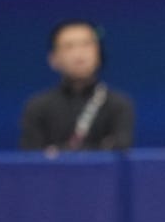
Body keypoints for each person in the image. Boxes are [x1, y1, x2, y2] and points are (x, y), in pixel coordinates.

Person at [19, 20, 135, 154]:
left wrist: (56, 152)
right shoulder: (37, 106)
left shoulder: (118, 104)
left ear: (99, 54)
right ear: (53, 59)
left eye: (86, 44)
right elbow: (31, 158)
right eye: (69, 46)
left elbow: (119, 150)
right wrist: (98, 147)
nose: (79, 54)